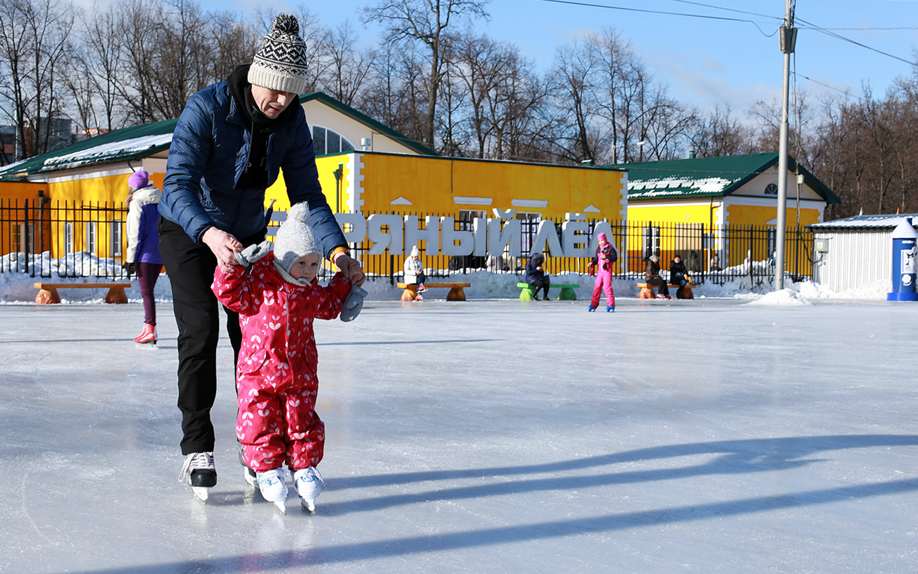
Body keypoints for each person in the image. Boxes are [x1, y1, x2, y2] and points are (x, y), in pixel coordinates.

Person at [160, 13, 364, 500]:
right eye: (275, 90)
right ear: (256, 76)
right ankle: (197, 446)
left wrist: (338, 253)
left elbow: (309, 196)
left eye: (290, 93)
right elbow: (175, 186)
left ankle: (259, 447)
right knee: (201, 333)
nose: (281, 101)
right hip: (190, 233)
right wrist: (208, 233)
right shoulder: (207, 108)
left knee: (254, 341)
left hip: (247, 236)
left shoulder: (292, 124)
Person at [212, 204, 352, 513]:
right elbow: (228, 293)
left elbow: (329, 305)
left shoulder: (310, 291)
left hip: (299, 373)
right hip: (259, 372)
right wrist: (232, 267)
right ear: (285, 259)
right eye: (301, 263)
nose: (308, 271)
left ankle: (304, 467)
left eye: (314, 264)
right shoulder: (262, 285)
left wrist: (346, 282)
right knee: (261, 422)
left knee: (301, 421)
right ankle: (267, 468)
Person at [123, 169, 163, 344]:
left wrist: (130, 259)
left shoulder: (137, 202)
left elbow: (135, 233)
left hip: (144, 255)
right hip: (160, 252)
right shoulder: (161, 200)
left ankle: (150, 329)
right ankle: (148, 327)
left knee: (146, 292)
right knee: (149, 291)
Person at [587, 233, 617, 312]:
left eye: (602, 240)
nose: (601, 242)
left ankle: (611, 305)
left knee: (607, 287)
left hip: (607, 271)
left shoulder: (610, 248)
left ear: (605, 239)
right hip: (600, 272)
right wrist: (592, 263)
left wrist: (607, 258)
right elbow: (596, 259)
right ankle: (593, 305)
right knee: (597, 287)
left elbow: (614, 257)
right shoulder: (599, 248)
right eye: (599, 241)